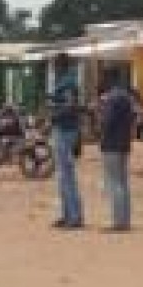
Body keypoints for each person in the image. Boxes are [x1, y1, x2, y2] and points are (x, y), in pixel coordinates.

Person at [98, 67, 136, 232]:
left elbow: (107, 121)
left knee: (115, 183)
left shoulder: (112, 99)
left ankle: (118, 222)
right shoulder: (127, 97)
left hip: (111, 144)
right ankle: (125, 219)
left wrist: (99, 115)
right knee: (123, 182)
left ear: (109, 81)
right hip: (124, 143)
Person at [49, 52, 83, 229]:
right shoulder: (66, 81)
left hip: (65, 131)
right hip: (63, 129)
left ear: (60, 65)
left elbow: (71, 106)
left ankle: (75, 217)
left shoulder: (68, 82)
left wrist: (54, 112)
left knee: (67, 176)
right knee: (63, 176)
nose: (53, 69)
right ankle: (67, 214)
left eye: (55, 65)